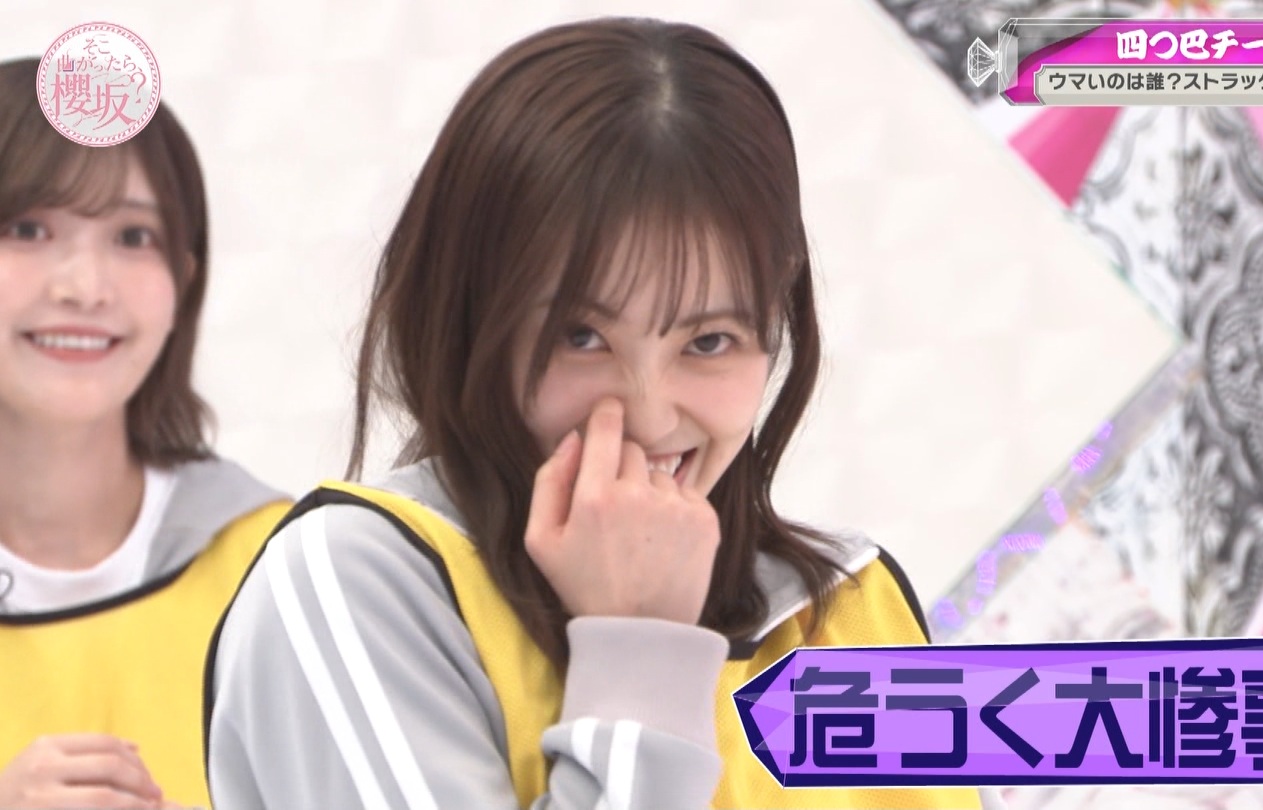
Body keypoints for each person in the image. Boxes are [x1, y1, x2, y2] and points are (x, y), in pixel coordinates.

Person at [205, 18, 1003, 810]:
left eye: (709, 341)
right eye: (580, 337)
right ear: (468, 316)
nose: (649, 417)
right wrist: (642, 649)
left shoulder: (848, 610)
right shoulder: (354, 586)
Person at [0, 57, 290, 810]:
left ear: (183, 280)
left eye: (133, 236)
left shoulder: (280, 569)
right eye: (28, 228)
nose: (84, 288)